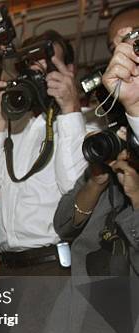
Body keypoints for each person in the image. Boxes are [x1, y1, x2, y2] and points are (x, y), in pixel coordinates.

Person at [0, 29, 87, 275]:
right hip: (6, 269)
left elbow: (74, 188)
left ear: (70, 70)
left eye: (49, 69)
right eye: (33, 70)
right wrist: (0, 120)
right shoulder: (13, 125)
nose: (41, 79)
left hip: (52, 267)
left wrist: (69, 108)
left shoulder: (82, 124)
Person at [54, 27, 139, 279]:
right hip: (93, 302)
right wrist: (97, 180)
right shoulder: (106, 150)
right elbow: (63, 224)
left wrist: (135, 194)